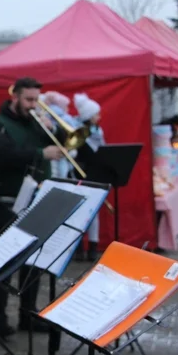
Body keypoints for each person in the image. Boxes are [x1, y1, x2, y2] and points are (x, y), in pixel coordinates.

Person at [0, 77, 65, 337]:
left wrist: (56, 129)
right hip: (9, 201)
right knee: (5, 262)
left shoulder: (38, 123)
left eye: (36, 100)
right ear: (15, 97)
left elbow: (64, 143)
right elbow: (2, 155)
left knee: (34, 260)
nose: (32, 105)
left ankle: (28, 314)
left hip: (39, 198)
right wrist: (40, 154)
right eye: (28, 99)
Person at [71, 92, 105, 261]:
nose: (99, 117)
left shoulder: (98, 131)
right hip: (80, 174)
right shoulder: (78, 131)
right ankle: (78, 248)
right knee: (77, 212)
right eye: (96, 114)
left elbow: (101, 150)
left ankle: (93, 246)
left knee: (94, 213)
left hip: (94, 174)